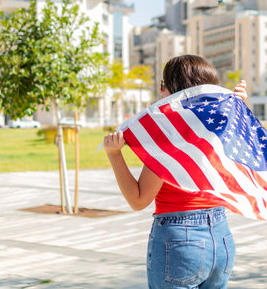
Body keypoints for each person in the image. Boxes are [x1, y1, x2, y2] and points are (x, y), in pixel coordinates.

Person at [104, 54, 247, 289]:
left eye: (163, 85)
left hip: (180, 242)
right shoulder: (223, 130)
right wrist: (239, 109)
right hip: (221, 239)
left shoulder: (168, 139)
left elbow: (138, 200)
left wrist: (114, 155)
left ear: (169, 90)